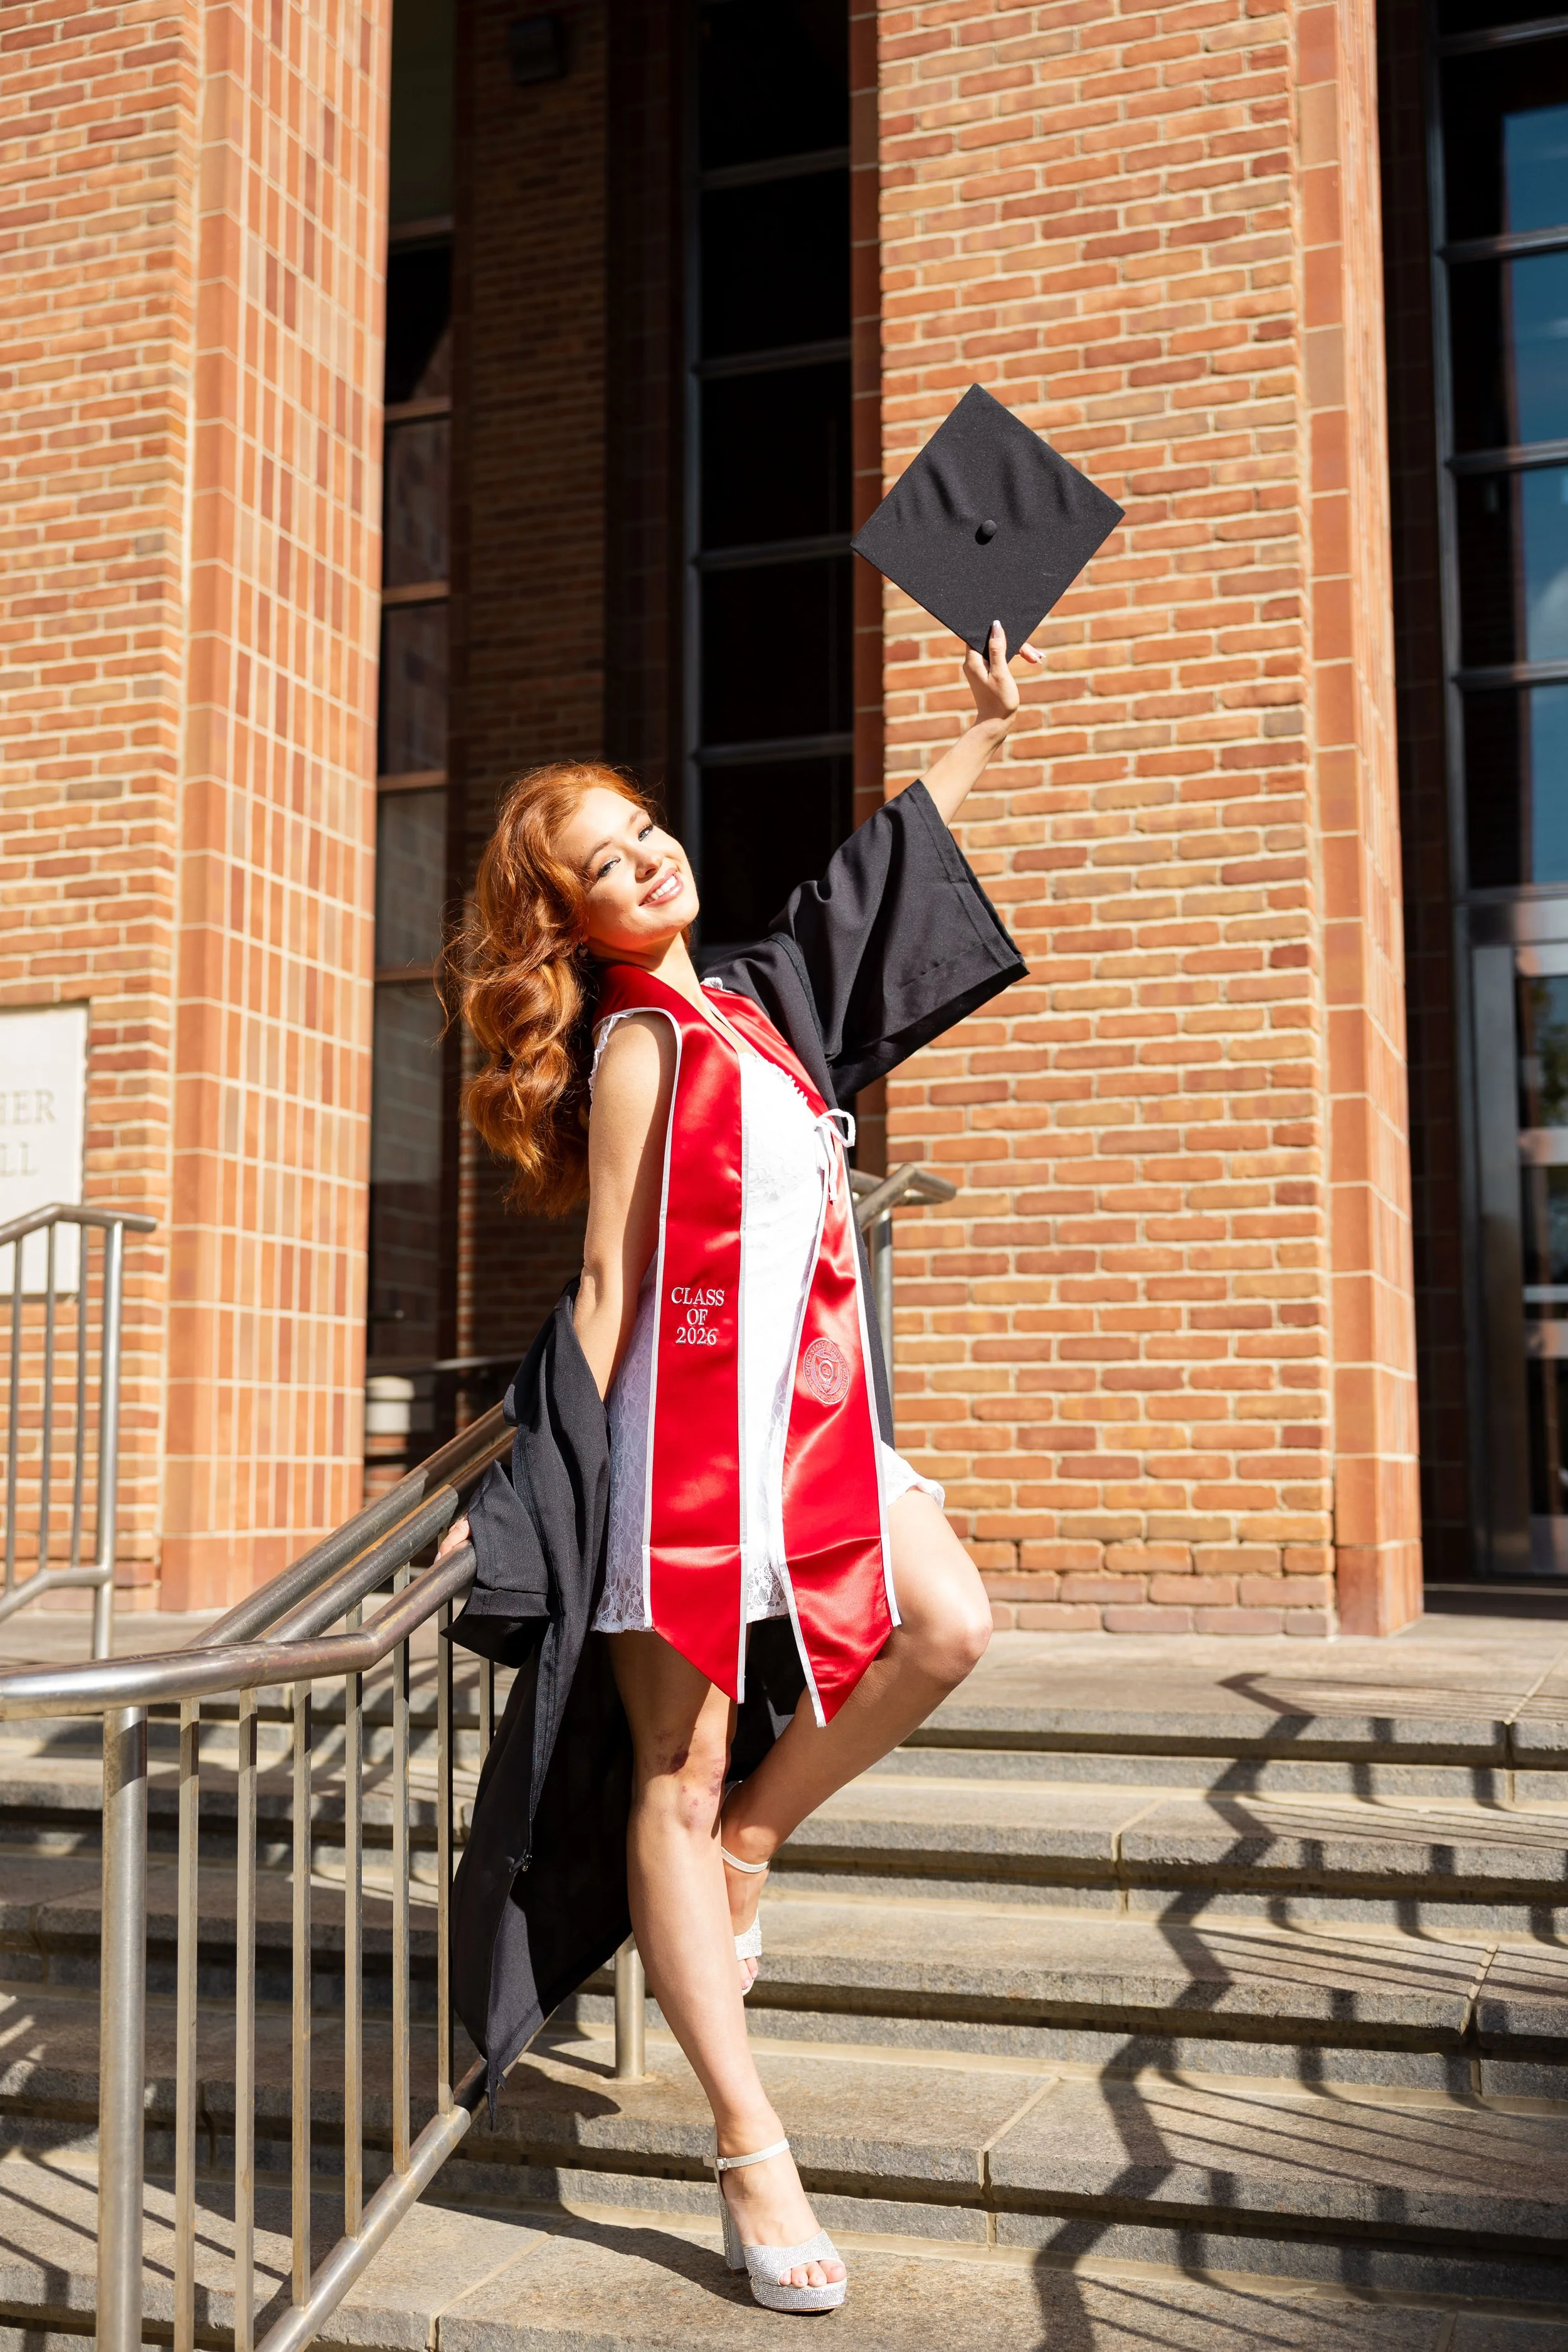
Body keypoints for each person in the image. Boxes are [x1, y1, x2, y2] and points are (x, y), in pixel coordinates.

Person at [437, 622, 1039, 2312]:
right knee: (667, 1776)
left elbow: (870, 886)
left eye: (646, 829)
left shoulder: (760, 1008)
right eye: (606, 863)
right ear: (572, 922)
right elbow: (616, 1289)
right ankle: (747, 2143)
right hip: (685, 1457)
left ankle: (757, 1845)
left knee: (945, 1624)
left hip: (820, 1423)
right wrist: (583, 1504)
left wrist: (979, 736)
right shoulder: (642, 1046)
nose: (649, 858)